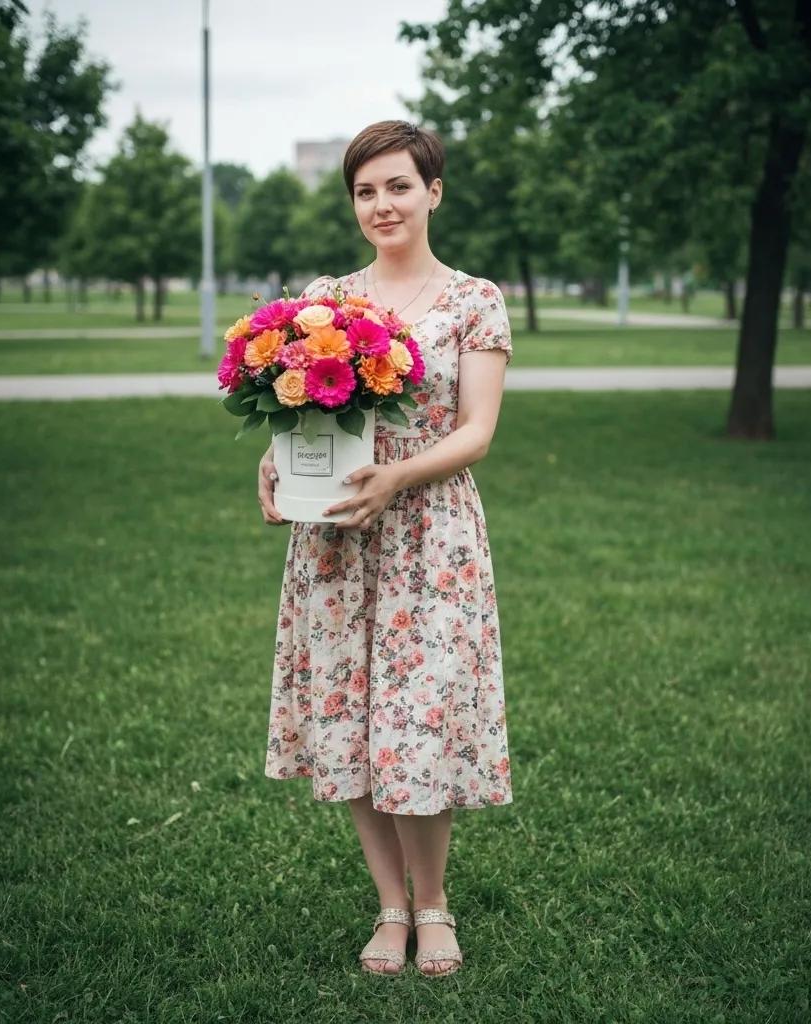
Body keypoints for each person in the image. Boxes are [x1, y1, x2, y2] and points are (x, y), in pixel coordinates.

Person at [258, 119, 514, 978]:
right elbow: (302, 416)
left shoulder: (475, 300)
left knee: (420, 721)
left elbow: (477, 431)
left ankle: (435, 905)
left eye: (399, 186)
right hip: (335, 538)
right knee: (353, 719)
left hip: (429, 538)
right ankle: (390, 907)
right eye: (366, 191)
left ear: (433, 191)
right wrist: (274, 460)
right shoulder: (326, 298)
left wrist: (397, 480)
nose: (382, 204)